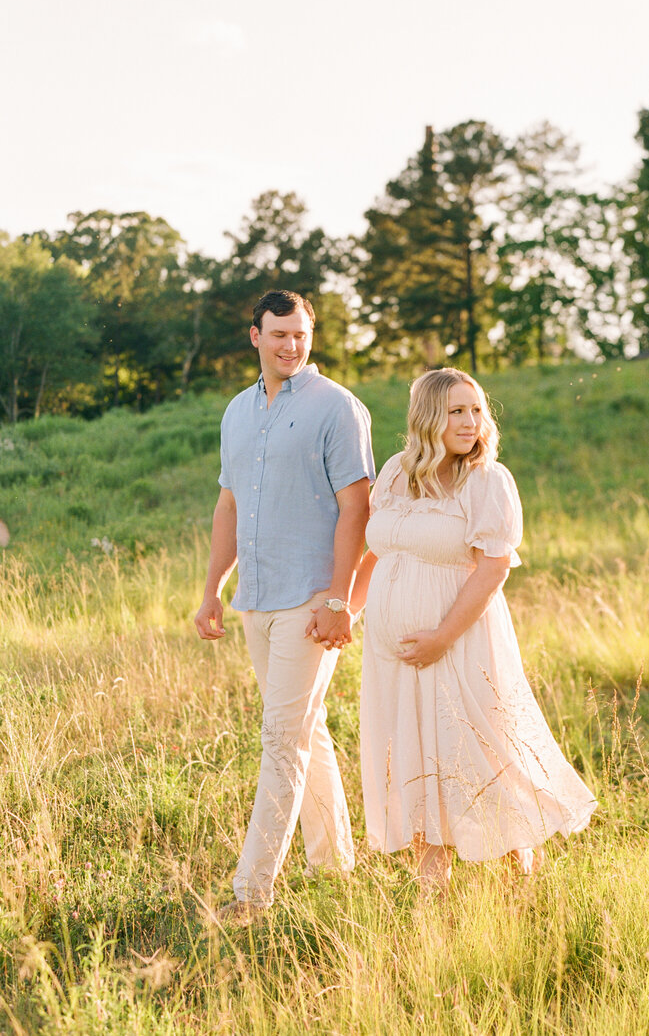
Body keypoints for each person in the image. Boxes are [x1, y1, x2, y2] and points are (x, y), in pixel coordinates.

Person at [351, 368, 596, 894]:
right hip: (392, 653)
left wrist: (440, 636)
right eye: (456, 411)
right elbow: (379, 550)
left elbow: (493, 567)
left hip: (460, 641)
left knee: (480, 753)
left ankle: (520, 891)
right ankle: (430, 893)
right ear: (427, 417)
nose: (470, 422)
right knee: (413, 754)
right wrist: (346, 608)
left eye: (477, 410)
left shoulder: (487, 479)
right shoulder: (396, 472)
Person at [194, 289, 374, 919]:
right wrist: (214, 588)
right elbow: (229, 505)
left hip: (310, 599)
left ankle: (251, 893)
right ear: (255, 337)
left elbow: (359, 508)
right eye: (279, 335)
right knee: (304, 731)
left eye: (301, 335)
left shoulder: (338, 409)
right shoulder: (236, 413)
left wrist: (339, 600)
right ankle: (336, 867)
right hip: (257, 599)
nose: (292, 346)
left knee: (279, 739)